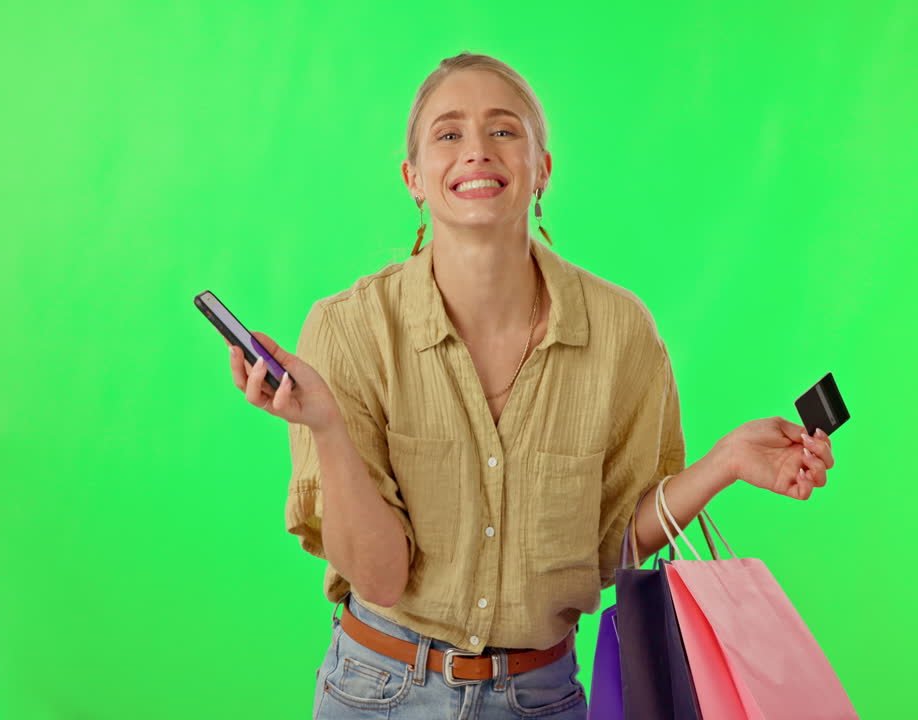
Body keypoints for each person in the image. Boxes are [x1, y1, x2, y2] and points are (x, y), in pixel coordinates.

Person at [226, 51, 837, 719]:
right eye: (448, 133)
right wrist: (327, 427)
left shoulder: (619, 332)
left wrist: (723, 464)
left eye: (503, 130)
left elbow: (613, 545)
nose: (477, 151)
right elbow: (378, 578)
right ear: (414, 179)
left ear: (542, 168)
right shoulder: (350, 329)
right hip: (380, 693)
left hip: (540, 698)